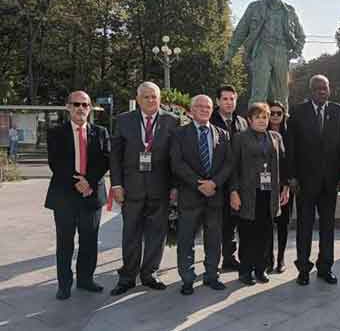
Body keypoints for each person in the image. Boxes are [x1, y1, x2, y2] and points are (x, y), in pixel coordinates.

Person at [109, 82, 179, 296]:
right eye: (146, 97)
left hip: (160, 188)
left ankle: (150, 273)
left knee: (156, 234)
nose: (151, 100)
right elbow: (115, 156)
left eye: (154, 97)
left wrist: (175, 186)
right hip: (131, 189)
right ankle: (128, 276)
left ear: (160, 99)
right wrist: (116, 185)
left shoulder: (171, 121)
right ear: (138, 99)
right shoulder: (123, 120)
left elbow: (175, 157)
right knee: (130, 233)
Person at [45, 91, 110, 300]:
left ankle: (85, 280)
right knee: (65, 242)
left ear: (90, 108)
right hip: (64, 196)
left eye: (85, 105)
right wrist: (77, 182)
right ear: (68, 107)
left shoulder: (100, 132)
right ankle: (64, 284)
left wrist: (88, 182)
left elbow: (104, 160)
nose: (81, 108)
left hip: (91, 195)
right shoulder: (55, 133)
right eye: (76, 104)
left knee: (90, 241)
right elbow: (56, 163)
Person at [287, 74, 340, 285]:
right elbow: (292, 147)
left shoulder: (338, 111)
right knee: (304, 227)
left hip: (330, 182)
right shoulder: (297, 112)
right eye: (317, 88)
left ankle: (325, 267)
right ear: (311, 91)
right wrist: (292, 177)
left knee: (327, 227)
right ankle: (303, 269)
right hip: (305, 182)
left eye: (325, 88)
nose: (321, 92)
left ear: (329, 89)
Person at [170, 95, 232, 295]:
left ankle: (212, 275)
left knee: (214, 239)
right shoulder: (179, 134)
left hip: (214, 195)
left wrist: (214, 183)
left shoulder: (223, 134)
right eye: (200, 106)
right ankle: (187, 279)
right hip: (190, 195)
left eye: (208, 107)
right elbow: (177, 163)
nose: (205, 110)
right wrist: (199, 183)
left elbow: (229, 164)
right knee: (186, 239)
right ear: (191, 110)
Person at [230, 103, 290, 285]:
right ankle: (245, 270)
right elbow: (233, 167)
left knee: (265, 233)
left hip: (269, 193)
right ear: (249, 120)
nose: (262, 120)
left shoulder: (276, 137)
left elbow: (283, 164)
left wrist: (285, 187)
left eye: (265, 117)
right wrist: (233, 191)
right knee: (248, 233)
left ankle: (260, 268)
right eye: (258, 117)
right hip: (248, 193)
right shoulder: (240, 138)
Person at [224, 0, 305, 106]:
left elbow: (301, 36)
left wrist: (296, 52)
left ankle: (282, 123)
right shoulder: (255, 7)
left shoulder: (289, 11)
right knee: (259, 92)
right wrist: (230, 53)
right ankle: (255, 123)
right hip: (262, 50)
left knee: (281, 94)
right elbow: (240, 31)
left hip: (281, 52)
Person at [210, 85, 248, 272]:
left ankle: (229, 257)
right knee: (216, 223)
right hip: (217, 180)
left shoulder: (242, 122)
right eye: (225, 99)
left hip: (239, 179)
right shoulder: (210, 119)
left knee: (233, 221)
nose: (228, 102)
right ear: (217, 101)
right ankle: (213, 262)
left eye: (232, 99)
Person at [266, 101, 293, 273]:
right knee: (267, 225)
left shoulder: (289, 135)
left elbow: (291, 163)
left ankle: (281, 258)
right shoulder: (261, 133)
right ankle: (268, 258)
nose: (275, 116)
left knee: (283, 224)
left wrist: (287, 187)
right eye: (272, 113)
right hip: (266, 187)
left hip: (284, 187)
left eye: (279, 113)